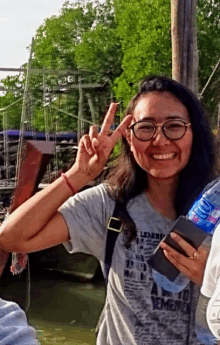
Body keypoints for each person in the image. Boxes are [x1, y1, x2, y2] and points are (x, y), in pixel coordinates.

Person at [0, 75, 216, 344]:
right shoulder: (109, 205)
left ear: (194, 133)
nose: (160, 140)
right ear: (128, 136)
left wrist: (214, 279)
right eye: (146, 127)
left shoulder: (214, 210)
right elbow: (12, 237)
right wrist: (79, 174)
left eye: (174, 126)